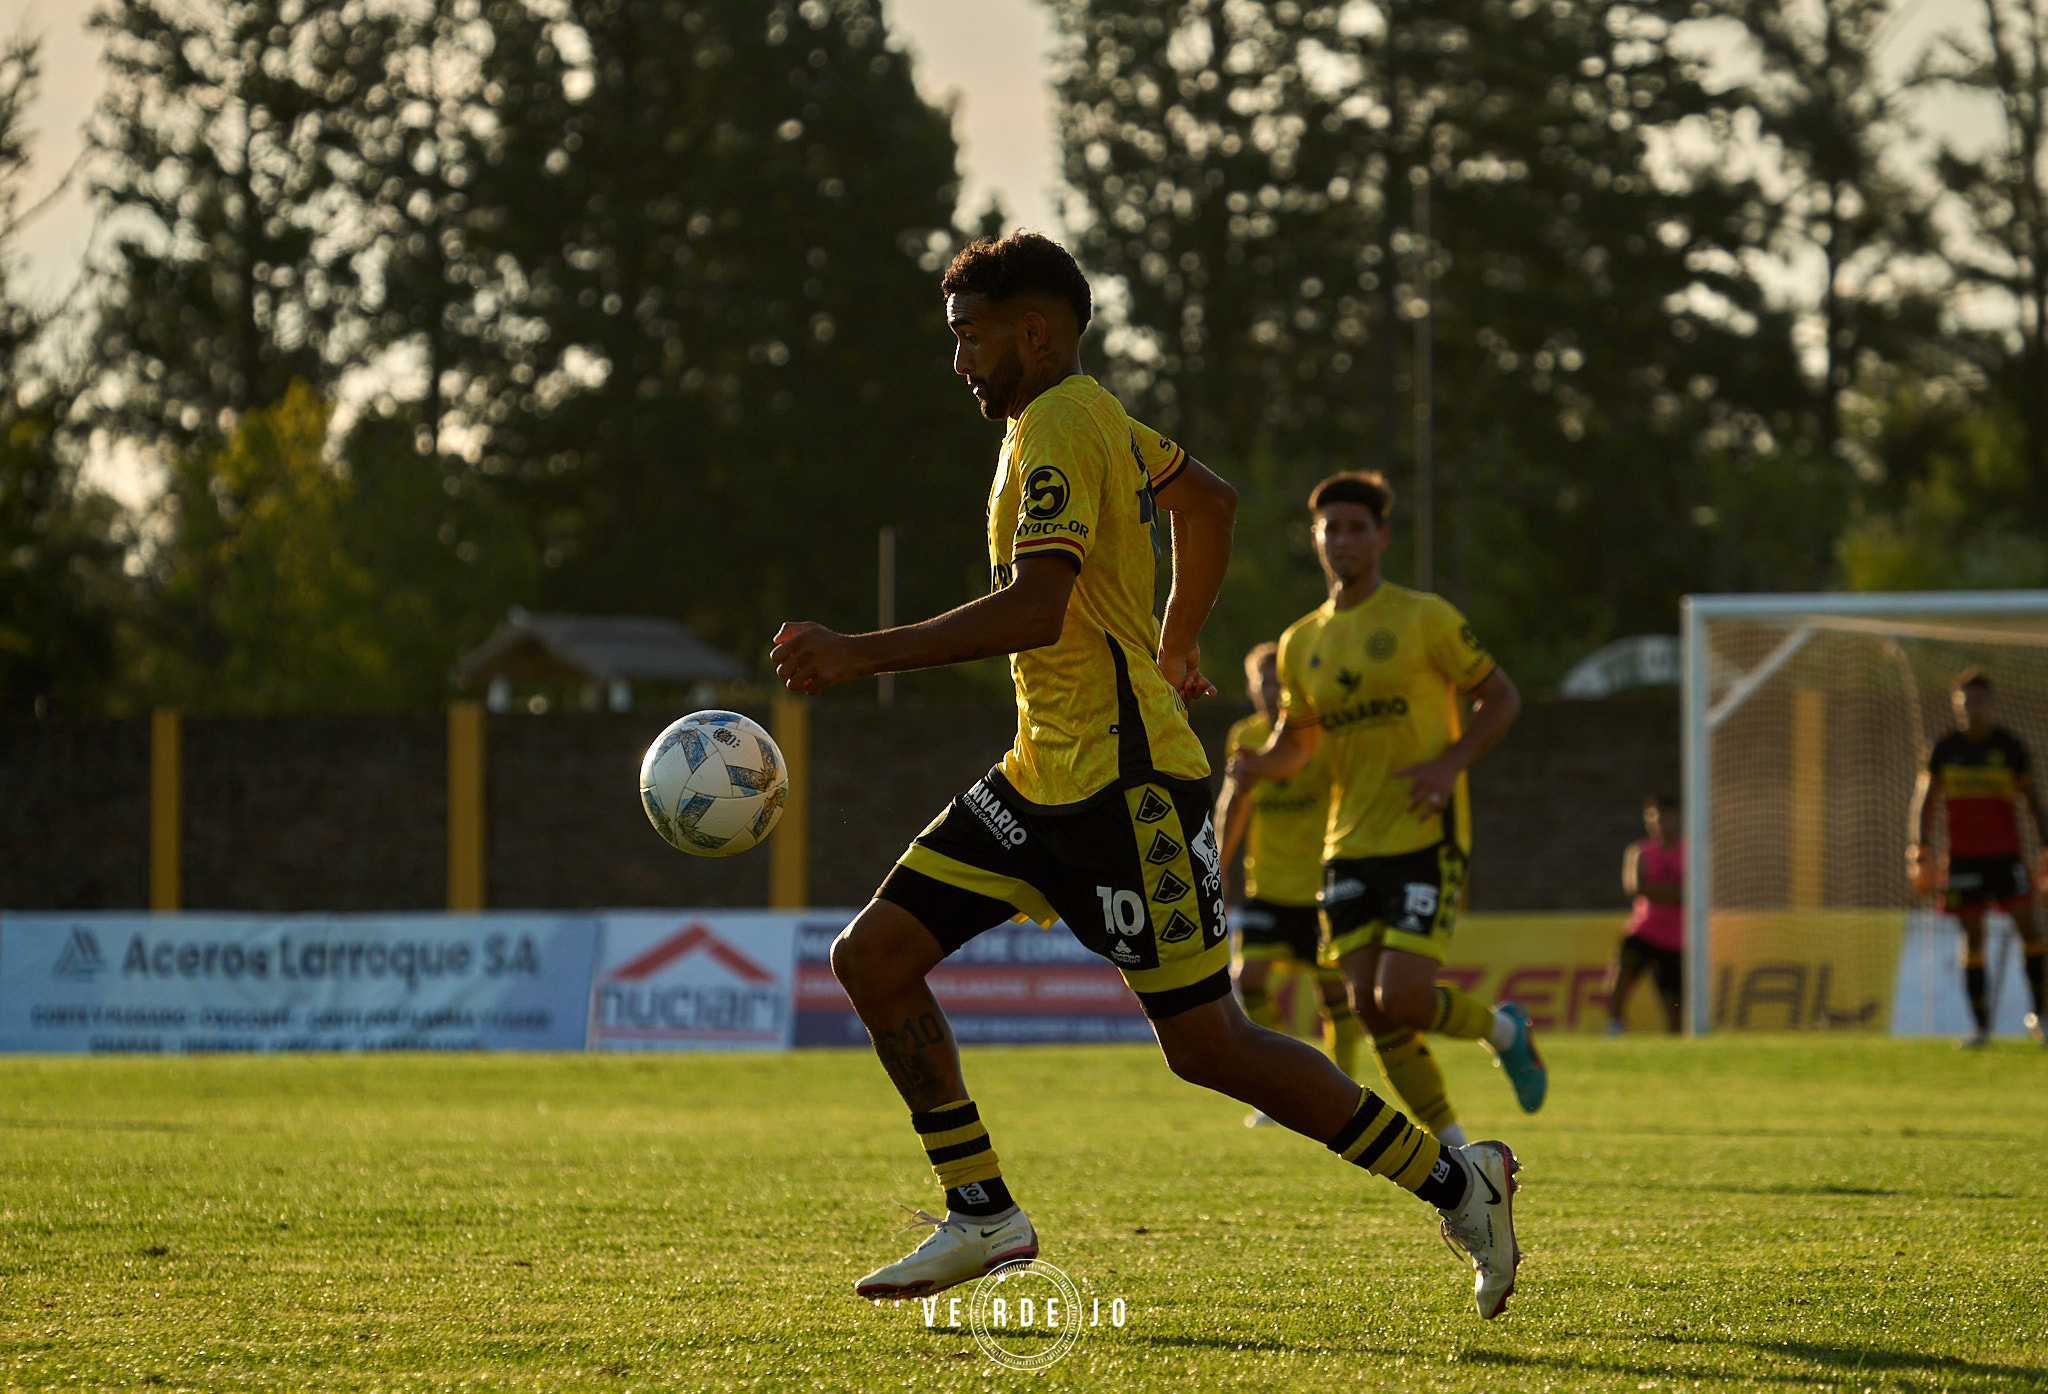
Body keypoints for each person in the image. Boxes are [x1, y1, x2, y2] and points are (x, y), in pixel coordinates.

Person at [771, 232, 1523, 1320]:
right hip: (1038, 778)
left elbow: (1038, 605)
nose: (958, 361)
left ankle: (1463, 1182)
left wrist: (859, 651)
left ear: (1035, 330)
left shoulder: (1064, 424)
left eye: (968, 337)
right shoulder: (1091, 419)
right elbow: (1207, 501)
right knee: (873, 956)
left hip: (1128, 793)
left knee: (1210, 1046)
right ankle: (982, 1208)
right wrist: (1175, 636)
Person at [1230, 471, 1545, 1141]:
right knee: (1374, 1014)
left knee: (1398, 995)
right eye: (1331, 529)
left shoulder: (1424, 617)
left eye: (1356, 528)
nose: (1343, 540)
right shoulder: (1299, 643)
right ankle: (1457, 1154)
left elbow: (1503, 698)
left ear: (1381, 538)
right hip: (1346, 845)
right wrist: (1261, 766)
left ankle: (1504, 1029)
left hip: (1424, 833)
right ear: (1314, 540)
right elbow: (1298, 743)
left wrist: (1447, 764)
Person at [1217, 643, 1362, 1127]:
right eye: (1264, 680)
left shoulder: (1315, 735)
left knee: (1334, 995)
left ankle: (1340, 1090)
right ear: (1251, 688)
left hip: (1321, 885)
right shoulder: (1245, 736)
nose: (1273, 688)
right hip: (1268, 884)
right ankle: (1280, 1088)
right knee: (1247, 979)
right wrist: (1219, 858)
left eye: (1280, 680)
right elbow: (1235, 801)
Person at [1907, 669, 2048, 1047]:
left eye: (1978, 700)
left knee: (2031, 931)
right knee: (1973, 940)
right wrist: (1920, 852)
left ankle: (2041, 1018)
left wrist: (2046, 849)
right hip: (1965, 861)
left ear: (1990, 702)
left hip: (2007, 858)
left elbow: (2034, 802)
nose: (1972, 707)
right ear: (1957, 705)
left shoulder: (2011, 747)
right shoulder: (1944, 750)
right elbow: (1925, 803)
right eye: (1965, 701)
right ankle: (1981, 1027)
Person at [1608, 795, 1684, 1035]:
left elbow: (1692, 892)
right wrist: (1673, 893)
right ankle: (1615, 1027)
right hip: (1644, 932)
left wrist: (1656, 891)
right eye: (1655, 818)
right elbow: (1636, 889)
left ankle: (1676, 1044)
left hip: (1677, 939)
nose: (1661, 823)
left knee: (1675, 1002)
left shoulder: (1691, 852)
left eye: (1667, 817)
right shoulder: (1640, 852)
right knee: (1621, 979)